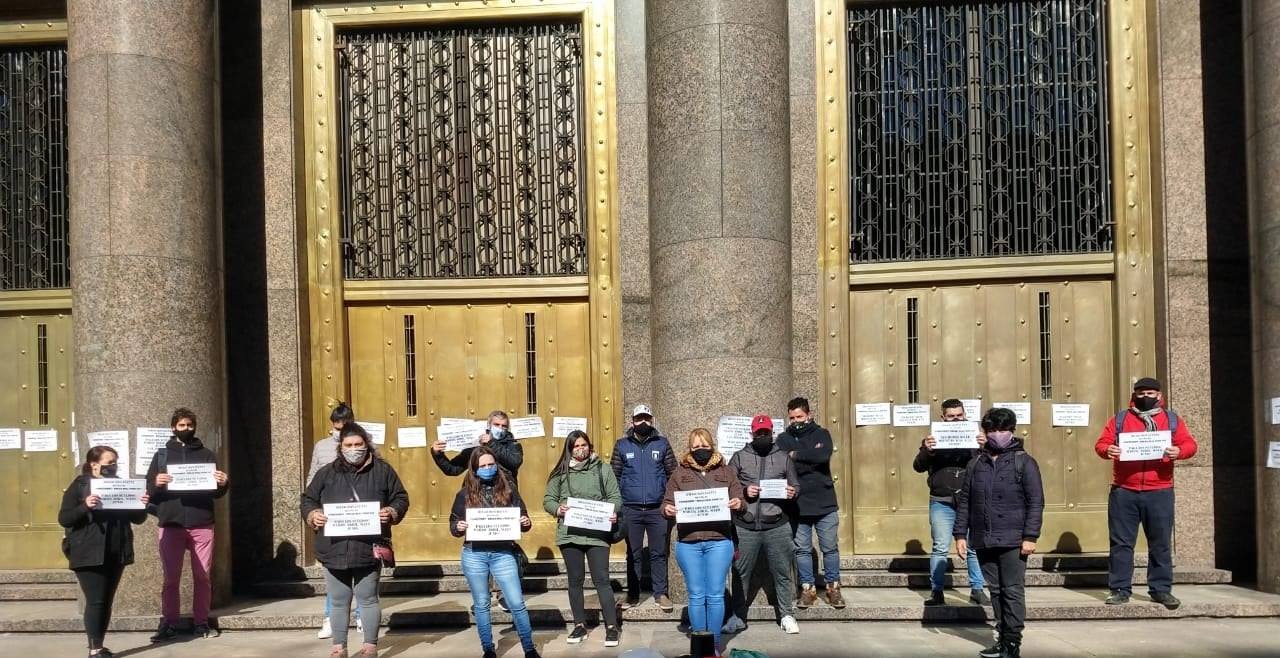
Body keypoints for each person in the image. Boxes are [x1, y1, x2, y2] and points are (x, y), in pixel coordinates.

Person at [302, 423, 409, 658]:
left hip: (367, 548)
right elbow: (308, 499)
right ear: (341, 447)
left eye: (358, 445)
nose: (353, 449)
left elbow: (400, 497)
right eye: (348, 445)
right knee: (339, 602)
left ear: (366, 445)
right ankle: (339, 648)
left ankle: (370, 647)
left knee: (368, 599)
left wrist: (391, 511)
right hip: (333, 549)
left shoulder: (383, 471)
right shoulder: (326, 473)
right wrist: (312, 515)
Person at [1094, 377, 1198, 609]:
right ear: (1134, 395)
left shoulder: (1171, 420)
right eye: (1140, 393)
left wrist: (1178, 451)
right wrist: (1107, 449)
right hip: (1124, 491)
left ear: (1159, 395)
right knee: (1121, 543)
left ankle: (1160, 590)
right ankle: (1120, 589)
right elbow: (1101, 443)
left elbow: (1190, 445)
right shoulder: (1120, 419)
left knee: (1160, 543)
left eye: (1150, 393)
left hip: (1159, 491)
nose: (1145, 397)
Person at [955, 408, 1044, 658]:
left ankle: (1013, 642)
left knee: (1012, 590)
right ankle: (1002, 637)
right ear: (985, 432)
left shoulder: (1024, 461)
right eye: (992, 430)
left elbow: (1035, 501)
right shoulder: (976, 463)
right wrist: (960, 534)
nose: (997, 434)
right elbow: (966, 502)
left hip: (1014, 538)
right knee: (995, 590)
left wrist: (1030, 536)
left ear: (1012, 431)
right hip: (984, 537)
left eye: (1003, 429)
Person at [145, 407, 229, 642]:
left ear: (194, 427)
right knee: (171, 578)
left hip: (202, 522)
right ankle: (169, 623)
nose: (186, 429)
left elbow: (217, 492)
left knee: (202, 577)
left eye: (189, 425)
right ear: (173, 427)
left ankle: (201, 622)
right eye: (181, 426)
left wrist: (223, 483)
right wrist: (156, 482)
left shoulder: (207, 454)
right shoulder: (161, 455)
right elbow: (148, 491)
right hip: (171, 523)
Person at [60, 446, 149, 658]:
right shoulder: (80, 485)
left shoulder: (120, 485)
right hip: (88, 551)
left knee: (106, 600)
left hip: (115, 550)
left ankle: (99, 645)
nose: (114, 466)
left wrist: (141, 505)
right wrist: (85, 506)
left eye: (115, 462)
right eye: (110, 462)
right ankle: (94, 649)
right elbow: (65, 518)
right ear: (94, 464)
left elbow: (137, 519)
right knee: (96, 600)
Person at [450, 447, 540, 658]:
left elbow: (524, 518)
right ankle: (488, 649)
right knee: (482, 604)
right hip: (474, 554)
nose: (488, 468)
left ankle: (529, 648)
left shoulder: (509, 489)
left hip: (503, 553)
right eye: (482, 466)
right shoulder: (464, 494)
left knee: (516, 602)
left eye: (491, 464)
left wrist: (525, 522)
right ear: (474, 469)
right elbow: (453, 524)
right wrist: (459, 527)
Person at [662, 428, 745, 653]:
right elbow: (666, 502)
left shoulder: (726, 472)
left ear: (712, 446)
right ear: (690, 449)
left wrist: (738, 502)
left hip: (719, 541)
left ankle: (715, 645)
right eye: (696, 446)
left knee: (716, 594)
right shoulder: (679, 474)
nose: (701, 450)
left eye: (704, 445)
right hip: (689, 543)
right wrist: (667, 508)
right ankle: (700, 647)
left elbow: (740, 498)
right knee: (697, 595)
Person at [432, 409, 524, 611]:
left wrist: (492, 443)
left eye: (503, 426)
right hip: (477, 500)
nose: (500, 429)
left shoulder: (513, 445)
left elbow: (514, 461)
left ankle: (504, 594)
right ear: (488, 425)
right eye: (496, 425)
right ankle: (482, 598)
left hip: (503, 501)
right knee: (480, 548)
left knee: (503, 548)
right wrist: (437, 454)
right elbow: (452, 469)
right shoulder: (475, 449)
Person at [543, 430, 622, 647]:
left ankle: (612, 626)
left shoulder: (603, 469)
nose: (580, 449)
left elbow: (616, 497)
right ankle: (579, 625)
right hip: (570, 535)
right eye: (576, 446)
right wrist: (558, 509)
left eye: (584, 445)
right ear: (569, 449)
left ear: (590, 446)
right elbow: (548, 500)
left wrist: (612, 510)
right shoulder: (559, 473)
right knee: (575, 581)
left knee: (602, 581)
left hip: (597, 535)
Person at [723, 415, 800, 635]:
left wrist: (792, 492)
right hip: (745, 526)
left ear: (772, 433)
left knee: (782, 572)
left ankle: (786, 614)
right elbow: (730, 487)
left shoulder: (784, 457)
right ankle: (738, 616)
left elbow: (796, 485)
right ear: (752, 434)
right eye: (759, 433)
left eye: (766, 433)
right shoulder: (739, 457)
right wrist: (745, 492)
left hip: (777, 524)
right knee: (740, 573)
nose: (763, 436)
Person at [913, 398, 989, 606]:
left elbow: (990, 465)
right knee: (940, 546)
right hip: (942, 500)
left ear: (965, 415)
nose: (956, 420)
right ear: (943, 418)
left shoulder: (975, 437)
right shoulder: (933, 439)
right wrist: (927, 450)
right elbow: (918, 466)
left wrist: (985, 447)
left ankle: (977, 589)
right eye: (951, 416)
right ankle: (937, 591)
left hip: (970, 499)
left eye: (959, 415)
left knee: (973, 546)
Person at [775, 397, 844, 609]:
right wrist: (807, 458)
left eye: (800, 417)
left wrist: (796, 455)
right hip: (798, 505)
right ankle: (808, 589)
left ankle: (833, 588)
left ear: (809, 415)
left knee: (829, 548)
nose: (796, 421)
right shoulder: (783, 438)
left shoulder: (822, 434)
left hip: (824, 503)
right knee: (802, 549)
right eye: (792, 417)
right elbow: (782, 461)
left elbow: (822, 456)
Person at [610, 403, 677, 611]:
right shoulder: (621, 445)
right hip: (630, 508)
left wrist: (669, 501)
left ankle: (661, 594)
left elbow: (672, 475)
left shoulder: (662, 443)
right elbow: (614, 476)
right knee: (634, 553)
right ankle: (633, 594)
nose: (643, 422)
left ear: (652, 420)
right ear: (632, 421)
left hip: (657, 509)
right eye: (639, 419)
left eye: (646, 419)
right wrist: (616, 507)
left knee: (658, 552)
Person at [308, 402, 363, 640]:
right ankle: (331, 618)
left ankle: (362, 616)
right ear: (332, 425)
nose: (341, 430)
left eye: (346, 424)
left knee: (363, 572)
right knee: (334, 571)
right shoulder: (322, 447)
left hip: (359, 517)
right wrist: (313, 511)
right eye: (337, 425)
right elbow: (312, 478)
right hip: (332, 518)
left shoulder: (364, 443)